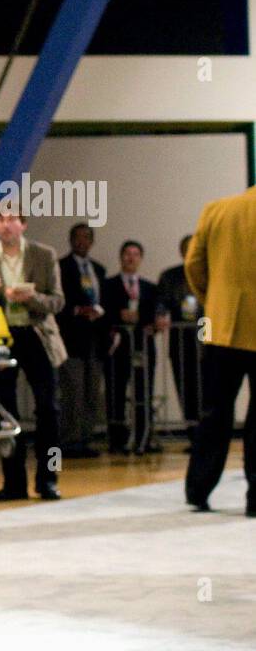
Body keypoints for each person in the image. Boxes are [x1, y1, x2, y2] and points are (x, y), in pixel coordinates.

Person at [0, 204, 67, 499]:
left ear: (23, 224)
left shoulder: (44, 255)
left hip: (36, 334)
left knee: (48, 409)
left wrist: (32, 297)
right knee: (5, 410)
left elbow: (57, 302)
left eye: (12, 219)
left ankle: (48, 479)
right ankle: (13, 482)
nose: (6, 225)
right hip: (2, 337)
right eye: (0, 219)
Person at [184, 186, 256, 516]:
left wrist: (214, 299)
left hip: (221, 325)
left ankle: (199, 489)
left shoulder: (217, 209)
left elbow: (194, 264)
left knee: (214, 411)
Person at [103, 240, 169, 454]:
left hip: (143, 346)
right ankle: (117, 439)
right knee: (116, 392)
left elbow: (156, 315)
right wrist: (118, 317)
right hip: (118, 347)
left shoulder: (150, 287)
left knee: (144, 392)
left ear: (140, 259)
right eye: (127, 254)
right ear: (121, 257)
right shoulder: (109, 285)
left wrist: (150, 321)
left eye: (135, 254)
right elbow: (103, 312)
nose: (131, 258)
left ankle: (144, 436)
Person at [56, 222, 108, 457]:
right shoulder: (61, 267)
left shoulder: (99, 269)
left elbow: (105, 301)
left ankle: (86, 438)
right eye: (77, 237)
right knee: (73, 392)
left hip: (95, 340)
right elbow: (58, 303)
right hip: (71, 340)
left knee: (92, 392)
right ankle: (70, 440)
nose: (82, 241)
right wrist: (77, 311)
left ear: (92, 241)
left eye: (86, 237)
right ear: (70, 240)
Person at [157, 234, 203, 433]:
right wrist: (161, 314)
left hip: (205, 342)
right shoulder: (170, 276)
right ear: (181, 252)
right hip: (180, 343)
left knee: (207, 388)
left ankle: (206, 433)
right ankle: (192, 432)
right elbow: (161, 302)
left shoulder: (209, 274)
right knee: (185, 388)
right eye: (187, 248)